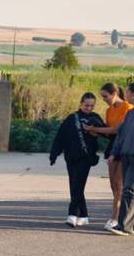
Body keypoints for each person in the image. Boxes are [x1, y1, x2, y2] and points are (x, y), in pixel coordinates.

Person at [49, 93, 105, 227]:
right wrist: (54, 154)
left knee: (77, 185)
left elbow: (106, 133)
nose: (89, 108)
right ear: (81, 103)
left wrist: (95, 130)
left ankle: (72, 214)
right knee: (75, 185)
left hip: (86, 158)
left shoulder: (95, 118)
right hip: (71, 157)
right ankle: (84, 215)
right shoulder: (71, 118)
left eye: (92, 105)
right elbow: (60, 137)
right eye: (86, 105)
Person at [83, 83, 133, 231]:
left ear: (115, 93)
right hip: (114, 146)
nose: (104, 99)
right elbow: (109, 132)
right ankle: (118, 216)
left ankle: (115, 217)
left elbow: (117, 129)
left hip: (125, 147)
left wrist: (95, 128)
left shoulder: (127, 108)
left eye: (105, 96)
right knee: (113, 185)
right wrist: (96, 132)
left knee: (121, 185)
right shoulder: (109, 110)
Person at [105, 82, 134, 236]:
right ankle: (126, 225)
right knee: (127, 189)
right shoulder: (130, 114)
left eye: (128, 93)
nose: (126, 95)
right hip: (126, 156)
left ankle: (124, 226)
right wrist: (113, 153)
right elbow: (120, 137)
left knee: (129, 189)